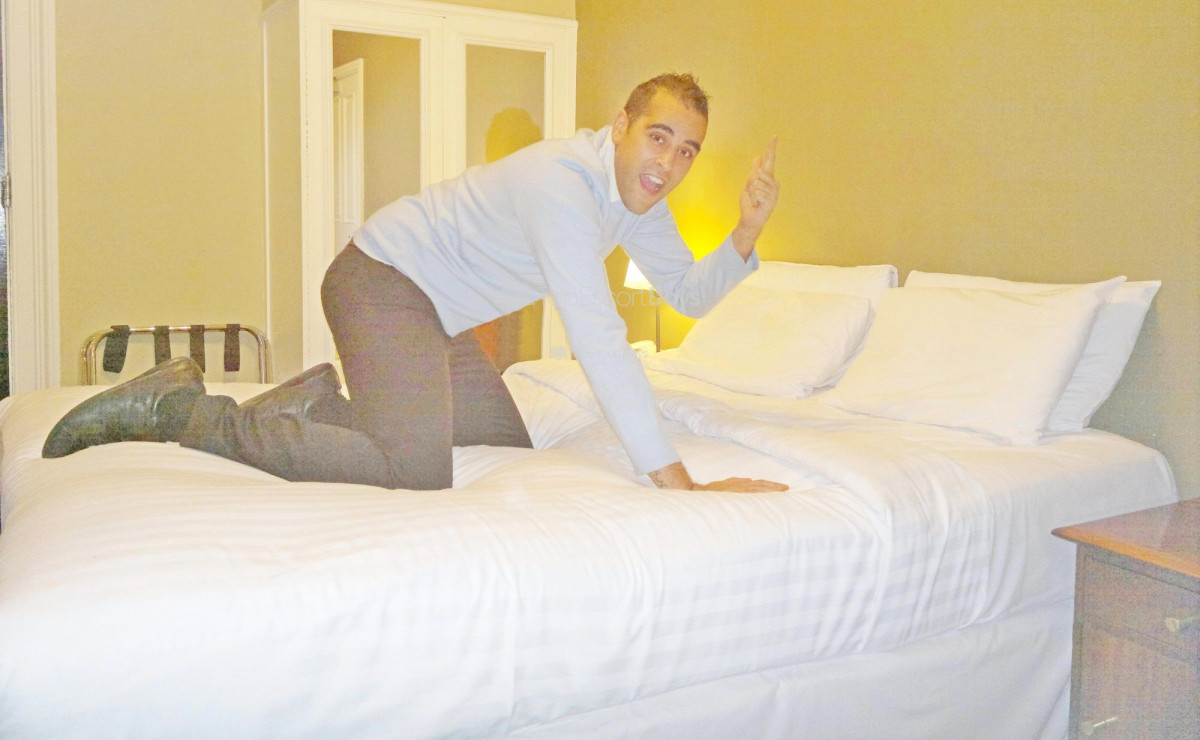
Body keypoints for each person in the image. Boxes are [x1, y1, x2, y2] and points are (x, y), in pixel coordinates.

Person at [44, 73, 785, 494]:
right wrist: (675, 479)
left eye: (687, 152)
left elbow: (688, 293)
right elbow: (598, 336)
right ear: (621, 125)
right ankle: (182, 412)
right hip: (381, 282)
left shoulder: (637, 203)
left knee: (502, 448)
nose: (669, 163)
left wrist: (745, 231)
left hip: (436, 319)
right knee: (417, 469)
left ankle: (313, 402)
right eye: (659, 137)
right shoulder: (561, 183)